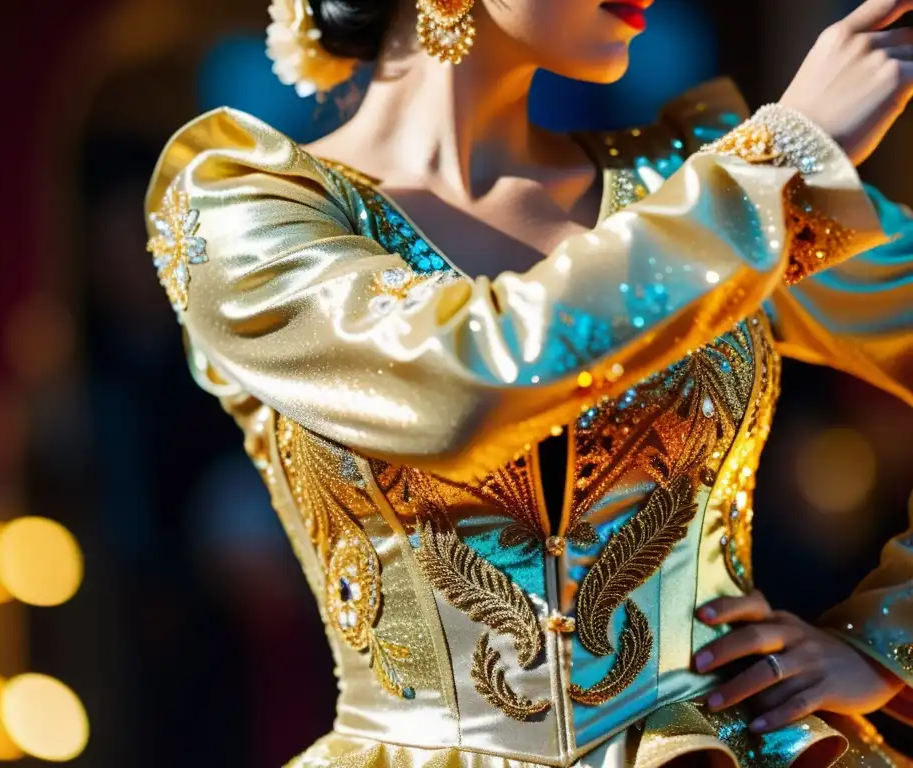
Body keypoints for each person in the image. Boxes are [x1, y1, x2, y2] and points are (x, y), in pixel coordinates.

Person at [144, 0, 913, 764]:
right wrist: (779, 163)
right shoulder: (243, 214)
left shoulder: (695, 176)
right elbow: (464, 383)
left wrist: (885, 639)